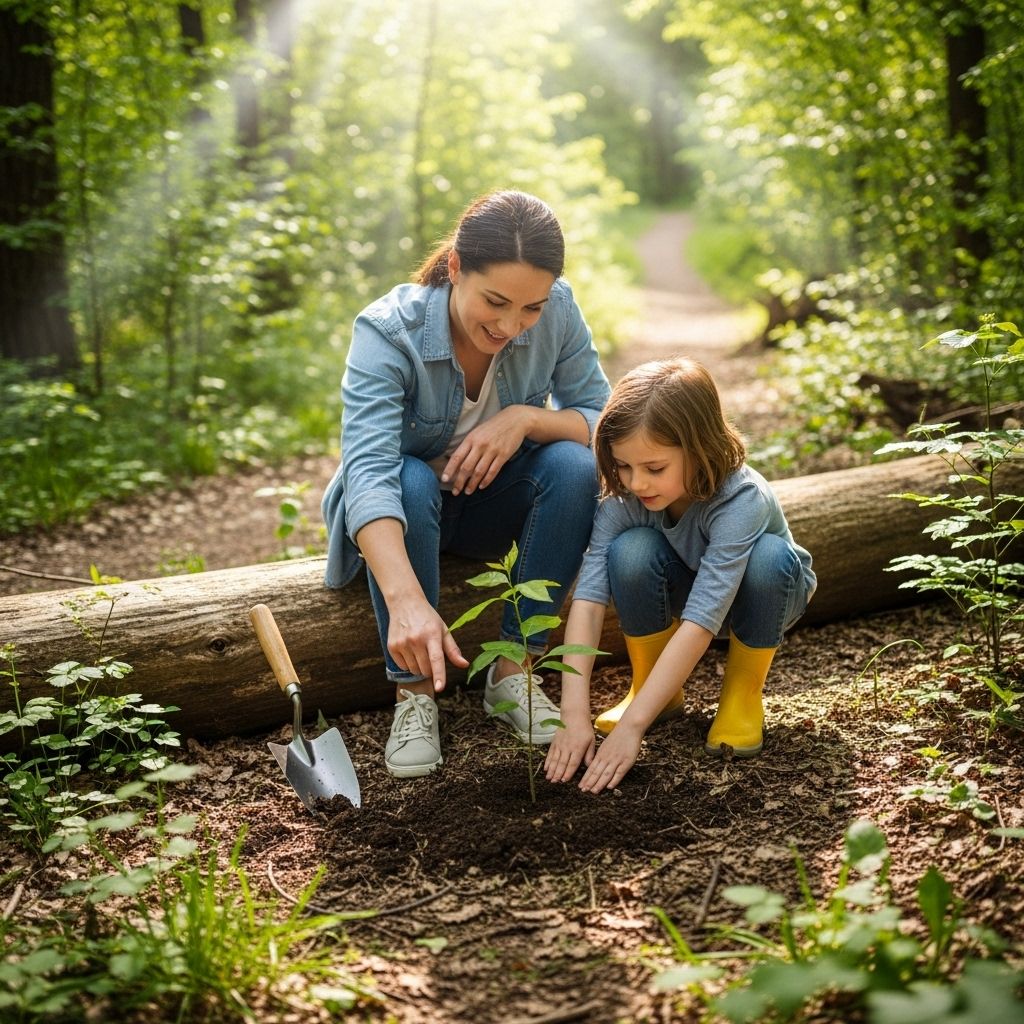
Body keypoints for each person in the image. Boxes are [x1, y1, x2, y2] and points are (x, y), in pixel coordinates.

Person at [321, 189, 611, 779]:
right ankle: (414, 696)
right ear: (455, 268)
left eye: (530, 308)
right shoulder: (386, 331)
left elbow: (605, 418)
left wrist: (526, 418)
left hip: (492, 511)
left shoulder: (558, 308)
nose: (511, 325)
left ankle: (513, 676)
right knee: (407, 476)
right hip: (406, 515)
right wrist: (407, 604)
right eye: (496, 301)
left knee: (575, 464)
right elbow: (369, 474)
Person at [544, 357, 816, 793]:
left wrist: (632, 729)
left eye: (655, 468)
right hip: (684, 592)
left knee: (769, 557)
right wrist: (572, 714)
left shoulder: (740, 498)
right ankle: (654, 691)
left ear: (701, 448)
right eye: (624, 466)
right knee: (629, 551)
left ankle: (742, 696)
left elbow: (705, 616)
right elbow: (589, 601)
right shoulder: (625, 496)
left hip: (761, 598)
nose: (637, 483)